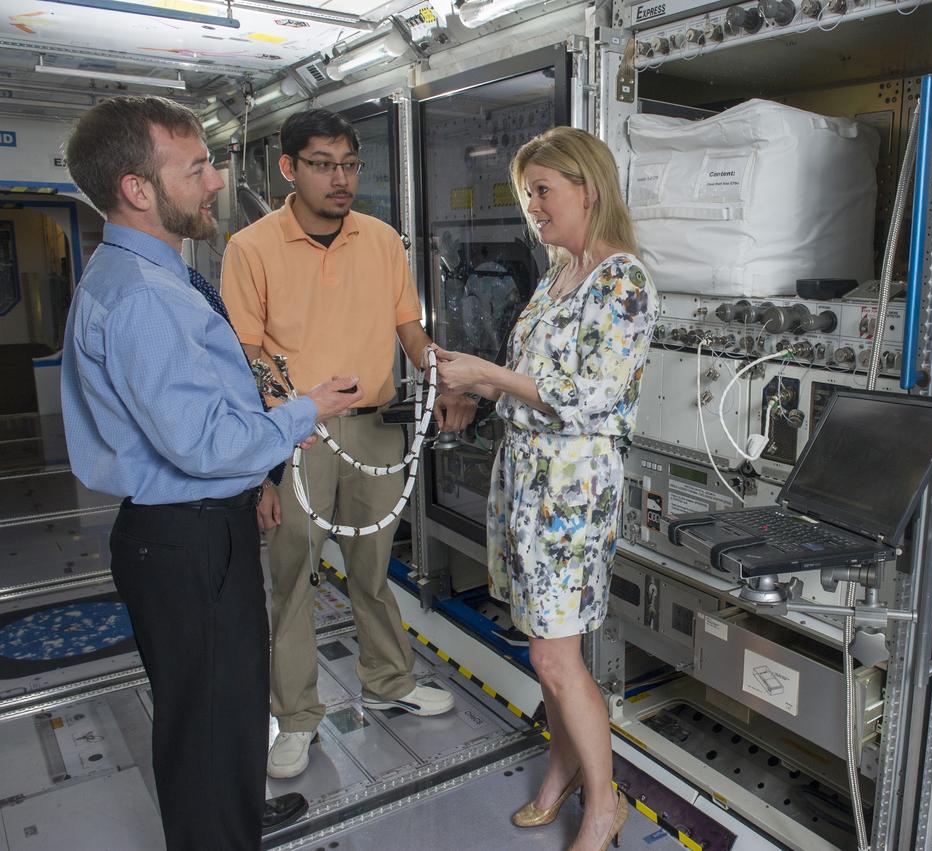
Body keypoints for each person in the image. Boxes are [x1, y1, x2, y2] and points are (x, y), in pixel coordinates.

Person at [60, 95, 364, 850]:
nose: (215, 180)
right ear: (137, 188)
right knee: (205, 713)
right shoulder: (144, 300)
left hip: (199, 522)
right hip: (185, 538)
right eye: (196, 166)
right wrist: (308, 409)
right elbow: (202, 442)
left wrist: (252, 482)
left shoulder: (154, 275)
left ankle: (231, 804)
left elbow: (206, 414)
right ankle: (215, 832)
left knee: (223, 703)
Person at [220, 109, 476, 780]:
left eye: (350, 165)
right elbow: (246, 350)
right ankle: (298, 715)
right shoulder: (252, 248)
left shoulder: (383, 239)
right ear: (288, 168)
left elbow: (407, 324)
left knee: (373, 566)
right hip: (299, 432)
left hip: (373, 424)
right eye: (323, 165)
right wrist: (282, 421)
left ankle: (388, 680)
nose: (341, 179)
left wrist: (438, 374)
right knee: (294, 576)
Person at [434, 126, 657, 851]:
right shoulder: (556, 273)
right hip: (527, 480)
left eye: (543, 190)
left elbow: (591, 394)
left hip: (570, 490)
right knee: (542, 649)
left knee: (558, 656)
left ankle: (604, 801)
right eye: (526, 192)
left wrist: (489, 377)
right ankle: (563, 766)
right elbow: (531, 382)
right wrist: (478, 394)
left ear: (588, 187)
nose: (532, 206)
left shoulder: (621, 279)